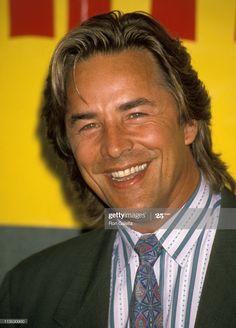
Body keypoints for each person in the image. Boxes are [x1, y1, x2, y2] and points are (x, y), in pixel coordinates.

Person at [0, 11, 236, 328]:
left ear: (189, 122)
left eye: (135, 114)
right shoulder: (27, 293)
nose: (113, 146)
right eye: (89, 125)